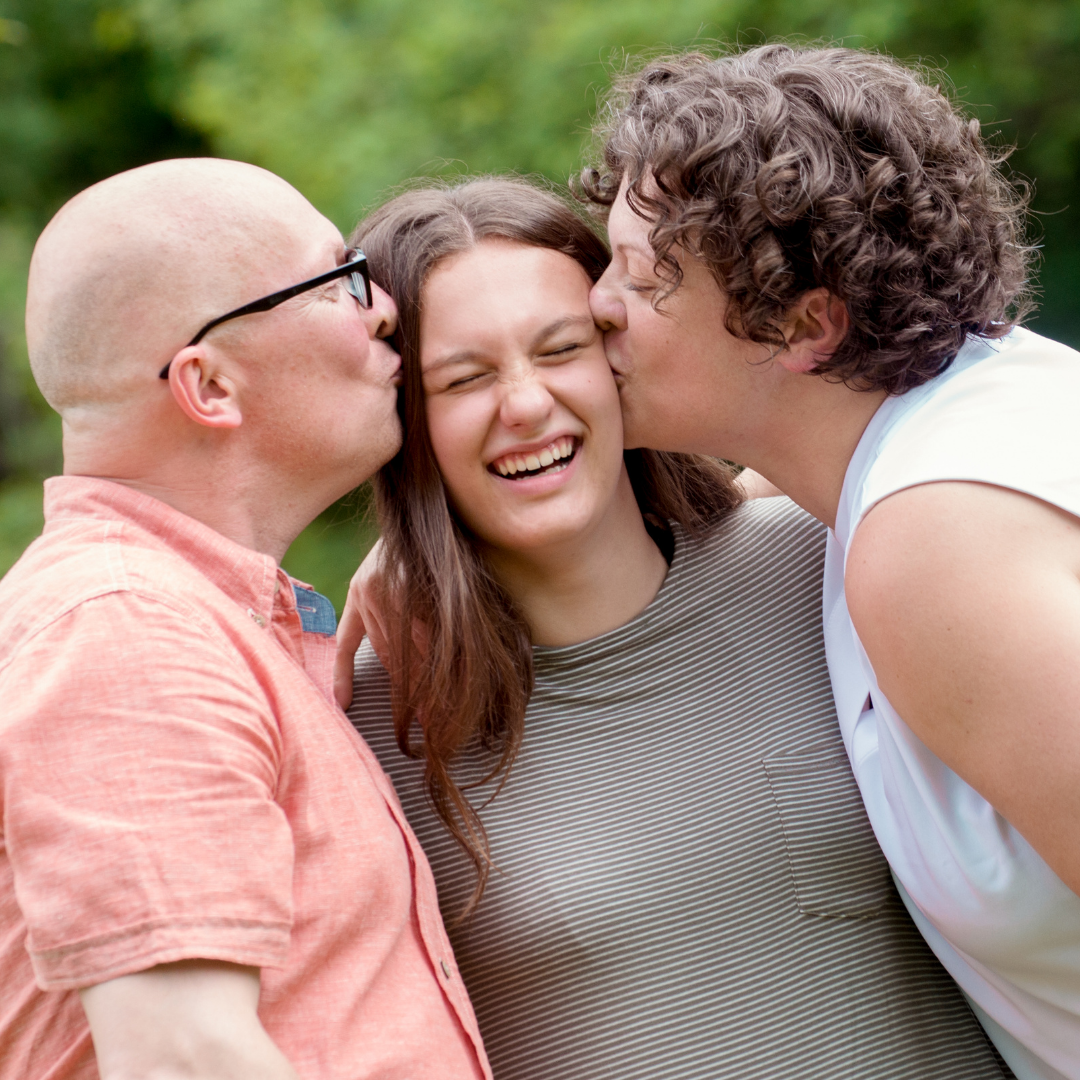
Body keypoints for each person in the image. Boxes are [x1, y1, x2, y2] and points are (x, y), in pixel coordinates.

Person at [341, 176, 1013, 1079]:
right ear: (402, 422)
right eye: (462, 379)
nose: (527, 405)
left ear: (620, 349)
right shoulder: (367, 726)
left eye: (562, 348)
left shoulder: (829, 563)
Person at [580, 44, 1080, 1080]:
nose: (595, 307)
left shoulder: (937, 545)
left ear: (806, 325)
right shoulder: (955, 428)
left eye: (641, 276)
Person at [0, 158, 491, 1080]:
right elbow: (182, 1058)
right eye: (339, 280)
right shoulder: (125, 634)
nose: (384, 307)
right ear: (211, 387)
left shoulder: (189, 621)